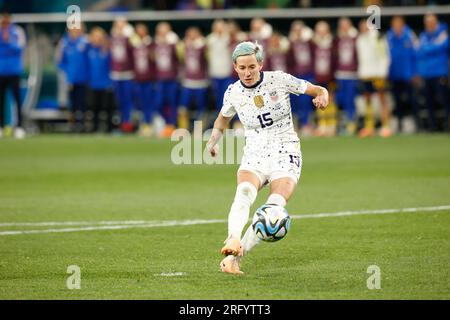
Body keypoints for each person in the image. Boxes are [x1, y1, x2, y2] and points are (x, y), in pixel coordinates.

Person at [205, 41, 329, 274]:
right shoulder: (233, 92)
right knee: (243, 193)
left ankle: (235, 259)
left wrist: (323, 97)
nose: (247, 72)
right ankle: (232, 239)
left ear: (261, 64)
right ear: (235, 67)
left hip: (286, 150)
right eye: (242, 67)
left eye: (252, 66)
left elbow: (318, 89)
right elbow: (222, 119)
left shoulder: (279, 80)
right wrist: (213, 141)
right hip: (255, 151)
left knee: (272, 211)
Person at [356, 19, 392, 138]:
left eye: (365, 26)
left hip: (378, 73)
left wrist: (383, 72)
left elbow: (384, 55)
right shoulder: (360, 39)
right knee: (367, 100)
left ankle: (386, 126)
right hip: (366, 74)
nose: (363, 29)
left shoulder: (378, 37)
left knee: (382, 99)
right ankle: (369, 126)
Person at [416, 13, 449, 132]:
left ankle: (447, 125)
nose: (429, 24)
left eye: (431, 22)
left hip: (440, 72)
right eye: (427, 22)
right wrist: (431, 49)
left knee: (445, 100)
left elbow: (441, 47)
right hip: (426, 73)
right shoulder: (424, 35)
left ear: (436, 22)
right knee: (429, 102)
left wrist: (428, 49)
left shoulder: (443, 33)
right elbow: (420, 51)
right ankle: (433, 126)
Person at [387, 16, 419, 133]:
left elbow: (416, 54)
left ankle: (417, 124)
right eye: (394, 24)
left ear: (402, 24)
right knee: (397, 102)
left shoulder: (410, 35)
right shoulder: (389, 37)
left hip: (408, 75)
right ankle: (400, 125)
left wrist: (416, 72)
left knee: (412, 100)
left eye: (398, 24)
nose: (396, 27)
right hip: (395, 75)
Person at [57, 24, 89, 133]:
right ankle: (73, 124)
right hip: (70, 80)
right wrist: (68, 77)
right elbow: (61, 62)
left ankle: (82, 124)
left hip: (83, 79)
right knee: (72, 103)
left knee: (82, 103)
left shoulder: (85, 42)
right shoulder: (64, 43)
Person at [0, 12, 26, 138]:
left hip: (15, 71)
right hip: (1, 71)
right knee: (1, 100)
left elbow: (19, 48)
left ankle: (19, 126)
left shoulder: (17, 31)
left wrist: (8, 42)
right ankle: (1, 127)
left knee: (17, 99)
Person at [177, 26, 209, 130]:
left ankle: (199, 128)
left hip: (200, 81)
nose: (192, 36)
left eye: (194, 33)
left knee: (201, 106)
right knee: (183, 106)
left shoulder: (203, 46)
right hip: (188, 81)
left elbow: (208, 57)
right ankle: (183, 128)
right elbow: (179, 57)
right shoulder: (184, 46)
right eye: (189, 33)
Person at [153, 21, 180, 137]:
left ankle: (171, 125)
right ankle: (165, 122)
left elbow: (179, 56)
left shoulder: (173, 41)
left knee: (172, 102)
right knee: (159, 102)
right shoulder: (155, 42)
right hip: (160, 77)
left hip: (171, 77)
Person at [110, 16, 135, 133]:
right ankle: (120, 123)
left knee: (128, 100)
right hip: (116, 74)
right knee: (118, 100)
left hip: (127, 74)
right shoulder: (112, 38)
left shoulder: (130, 38)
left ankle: (127, 123)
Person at [334, 17, 358, 135]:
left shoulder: (355, 38)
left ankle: (352, 123)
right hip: (340, 74)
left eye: (345, 25)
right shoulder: (338, 39)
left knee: (350, 100)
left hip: (352, 74)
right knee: (340, 100)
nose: (343, 28)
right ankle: (343, 123)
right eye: (341, 25)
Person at [87, 26, 114, 133]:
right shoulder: (88, 50)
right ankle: (94, 127)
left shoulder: (107, 50)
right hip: (93, 83)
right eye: (95, 37)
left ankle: (109, 128)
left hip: (106, 83)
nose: (97, 39)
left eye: (99, 37)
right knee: (94, 108)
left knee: (107, 108)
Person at [130, 23, 155, 137]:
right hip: (137, 78)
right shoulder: (133, 44)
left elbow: (155, 58)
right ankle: (141, 124)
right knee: (138, 102)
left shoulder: (150, 43)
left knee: (149, 102)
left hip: (148, 78)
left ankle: (148, 124)